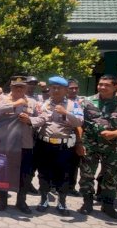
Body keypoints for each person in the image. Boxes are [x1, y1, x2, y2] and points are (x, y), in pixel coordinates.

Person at [78, 75, 117, 218]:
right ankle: (87, 202)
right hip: (89, 145)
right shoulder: (87, 102)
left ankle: (108, 205)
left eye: (106, 85)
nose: (102, 87)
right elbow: (79, 123)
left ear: (116, 86)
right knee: (86, 175)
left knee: (111, 176)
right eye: (100, 84)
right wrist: (79, 142)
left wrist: (115, 133)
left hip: (112, 147)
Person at [28, 77, 84, 215]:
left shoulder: (73, 105)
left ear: (65, 90)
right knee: (43, 174)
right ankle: (44, 199)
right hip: (44, 144)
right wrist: (28, 119)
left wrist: (66, 113)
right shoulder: (43, 104)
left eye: (59, 88)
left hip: (63, 147)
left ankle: (62, 202)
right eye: (53, 87)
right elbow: (38, 120)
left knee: (63, 175)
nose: (56, 90)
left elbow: (79, 123)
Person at [0, 75, 40, 213]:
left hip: (25, 143)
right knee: (4, 172)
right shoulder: (2, 99)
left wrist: (30, 120)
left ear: (26, 87)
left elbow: (41, 118)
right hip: (6, 143)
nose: (19, 89)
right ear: (11, 87)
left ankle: (21, 201)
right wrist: (15, 104)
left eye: (22, 86)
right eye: (16, 86)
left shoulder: (32, 102)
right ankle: (2, 200)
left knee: (25, 175)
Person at [65, 78, 83, 196]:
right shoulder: (61, 101)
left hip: (77, 135)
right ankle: (55, 185)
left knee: (74, 162)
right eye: (71, 88)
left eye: (76, 88)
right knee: (60, 161)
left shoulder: (83, 102)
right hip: (63, 134)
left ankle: (71, 186)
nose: (74, 90)